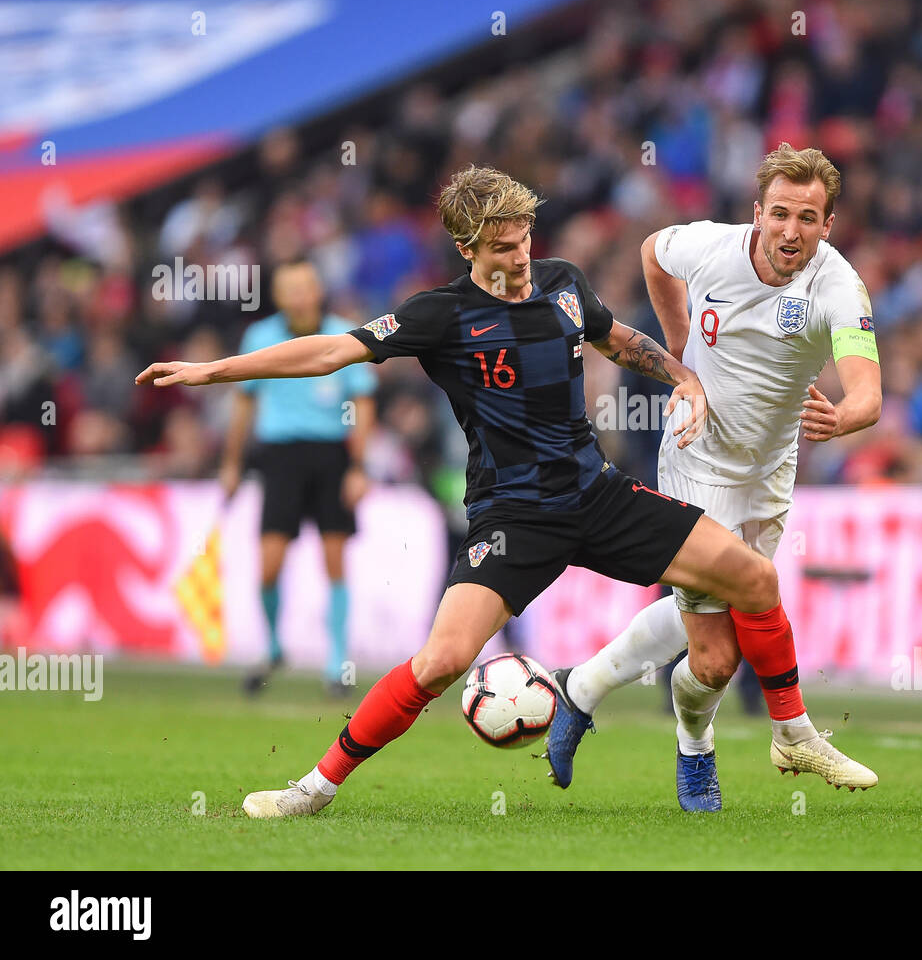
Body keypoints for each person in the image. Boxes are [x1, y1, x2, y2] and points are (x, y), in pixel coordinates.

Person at [137, 165, 816, 819]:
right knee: (443, 660)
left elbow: (618, 340)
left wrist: (684, 378)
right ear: (466, 248)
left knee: (754, 576)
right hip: (512, 516)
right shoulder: (440, 315)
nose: (520, 255)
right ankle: (313, 787)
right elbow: (329, 351)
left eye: (523, 239)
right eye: (501, 246)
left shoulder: (565, 284)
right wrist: (216, 371)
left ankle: (794, 736)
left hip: (599, 494)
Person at [545, 143, 882, 810]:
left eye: (808, 218)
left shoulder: (838, 285)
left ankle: (579, 687)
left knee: (719, 630)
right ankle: (708, 748)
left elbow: (868, 392)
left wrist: (844, 417)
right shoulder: (710, 249)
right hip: (696, 459)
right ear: (757, 212)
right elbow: (651, 251)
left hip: (769, 470)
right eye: (780, 213)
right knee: (718, 657)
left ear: (828, 225)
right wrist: (681, 357)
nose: (792, 231)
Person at [220, 260, 376, 697]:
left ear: (317, 290)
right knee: (269, 564)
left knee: (335, 558)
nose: (300, 296)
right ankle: (272, 647)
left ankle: (336, 662)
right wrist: (231, 462)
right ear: (279, 295)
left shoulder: (345, 335)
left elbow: (362, 402)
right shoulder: (260, 337)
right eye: (290, 289)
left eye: (306, 287)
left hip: (331, 456)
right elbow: (244, 402)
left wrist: (359, 466)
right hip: (280, 458)